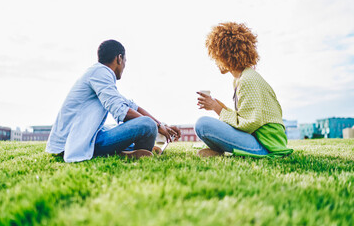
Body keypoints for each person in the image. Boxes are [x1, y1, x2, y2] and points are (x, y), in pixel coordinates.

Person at [46, 39, 180, 162]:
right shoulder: (101, 73)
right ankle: (132, 150)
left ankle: (129, 150)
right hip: (73, 142)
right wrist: (155, 127)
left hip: (84, 137)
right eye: (125, 61)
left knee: (144, 123)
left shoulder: (99, 75)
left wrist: (162, 125)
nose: (125, 66)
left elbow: (132, 106)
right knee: (147, 124)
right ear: (119, 58)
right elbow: (122, 111)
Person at [195, 22, 293, 158]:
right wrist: (218, 106)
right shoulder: (243, 78)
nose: (216, 62)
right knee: (205, 124)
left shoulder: (247, 80)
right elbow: (246, 118)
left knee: (202, 124)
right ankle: (220, 152)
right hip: (260, 141)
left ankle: (236, 152)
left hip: (265, 146)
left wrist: (217, 108)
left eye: (216, 57)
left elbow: (248, 124)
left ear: (224, 56)